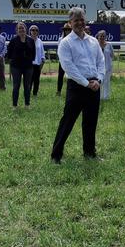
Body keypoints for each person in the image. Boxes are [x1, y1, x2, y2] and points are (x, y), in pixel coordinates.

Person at [51, 8, 105, 162]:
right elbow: (69, 67)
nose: (80, 23)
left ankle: (89, 153)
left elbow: (101, 62)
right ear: (70, 23)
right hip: (77, 87)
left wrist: (98, 80)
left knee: (90, 122)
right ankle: (56, 155)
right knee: (67, 121)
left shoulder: (93, 41)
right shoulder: (65, 43)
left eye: (82, 19)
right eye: (76, 20)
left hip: (94, 85)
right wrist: (86, 83)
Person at [7, 22, 36, 110]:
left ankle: (27, 105)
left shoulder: (31, 40)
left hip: (28, 67)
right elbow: (9, 54)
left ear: (26, 29)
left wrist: (28, 59)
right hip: (16, 67)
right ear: (16, 30)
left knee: (27, 86)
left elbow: (33, 54)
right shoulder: (13, 40)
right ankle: (14, 105)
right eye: (19, 28)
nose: (21, 30)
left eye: (22, 28)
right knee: (16, 86)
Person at [96, 30, 113, 100]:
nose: (102, 37)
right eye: (101, 36)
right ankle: (98, 97)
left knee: (106, 82)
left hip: (107, 67)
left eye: (103, 36)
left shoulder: (109, 45)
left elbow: (112, 54)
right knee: (99, 82)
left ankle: (106, 97)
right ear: (98, 37)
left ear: (105, 37)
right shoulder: (95, 45)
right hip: (98, 67)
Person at [57, 22, 73, 96]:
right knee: (60, 76)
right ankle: (58, 91)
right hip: (62, 61)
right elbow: (59, 51)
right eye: (66, 29)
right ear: (64, 31)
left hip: (71, 61)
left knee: (71, 77)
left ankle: (70, 91)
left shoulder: (73, 39)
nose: (67, 31)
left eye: (68, 29)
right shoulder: (60, 39)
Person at [29, 25, 45, 97]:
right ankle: (27, 93)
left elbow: (42, 53)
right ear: (30, 31)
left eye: (36, 30)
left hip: (37, 64)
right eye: (33, 30)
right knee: (29, 80)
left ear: (38, 32)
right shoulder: (27, 40)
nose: (34, 31)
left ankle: (35, 93)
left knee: (36, 80)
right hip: (29, 64)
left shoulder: (40, 41)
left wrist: (42, 62)